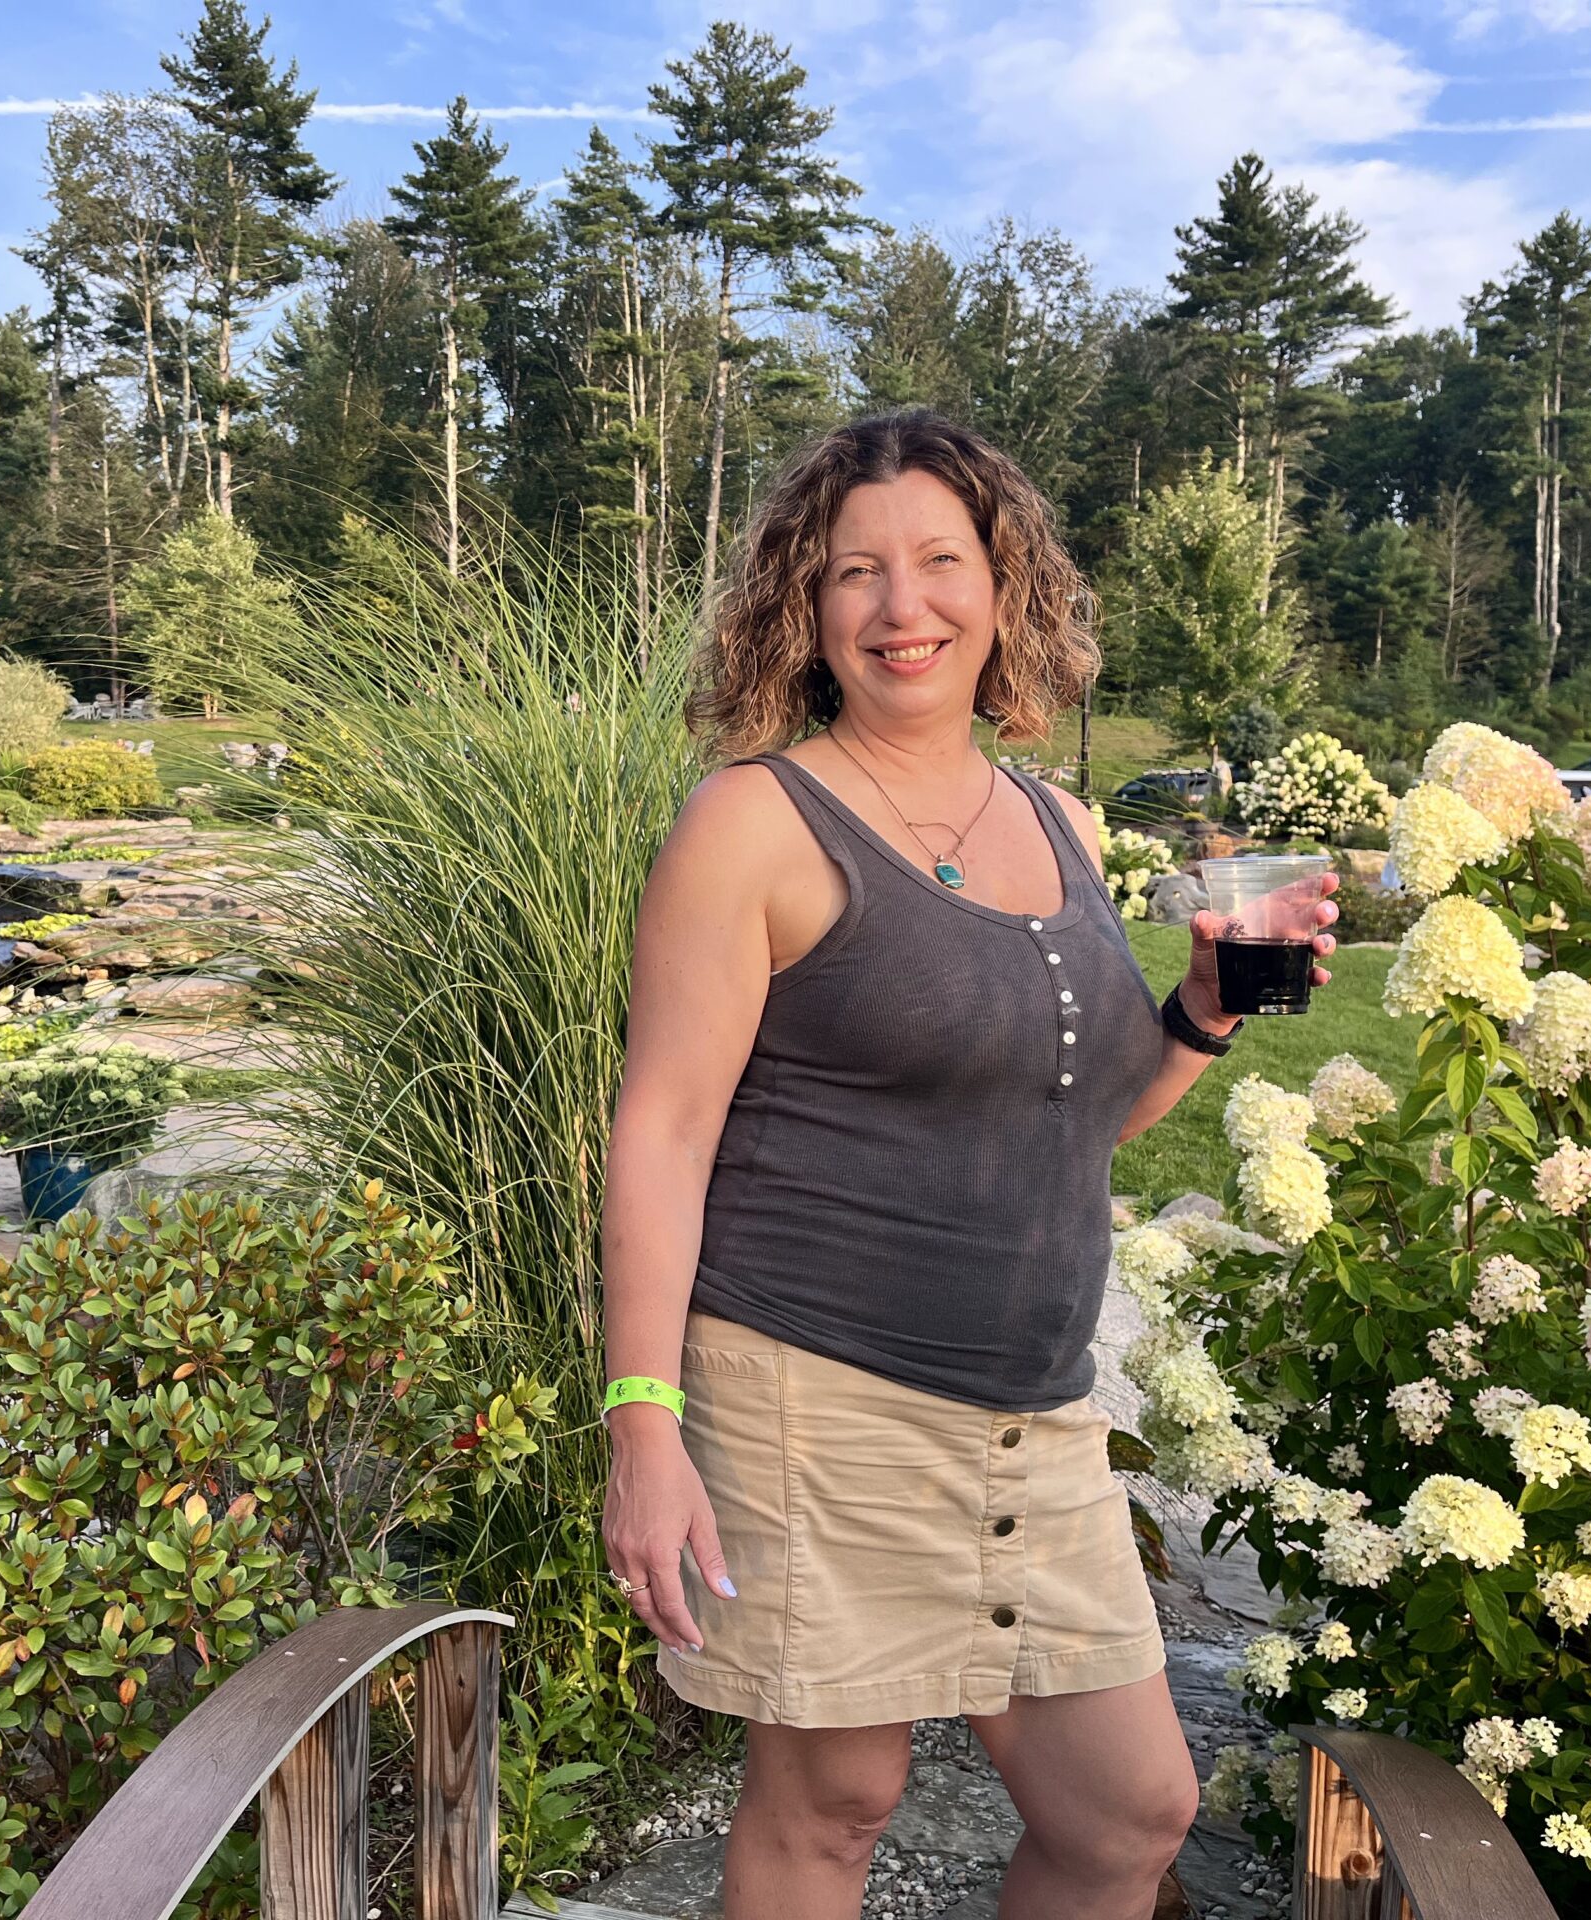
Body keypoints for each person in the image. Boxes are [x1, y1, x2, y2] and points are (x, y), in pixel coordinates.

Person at [599, 410, 1338, 1920]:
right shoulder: (752, 824)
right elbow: (661, 1132)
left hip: (1036, 1412)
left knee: (1129, 1812)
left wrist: (1202, 1012)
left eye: (941, 562)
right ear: (805, 610)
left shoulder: (1059, 819)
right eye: (854, 572)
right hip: (818, 1391)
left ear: (1002, 590)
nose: (901, 605)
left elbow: (1082, 1115)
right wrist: (644, 1427)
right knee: (834, 1803)